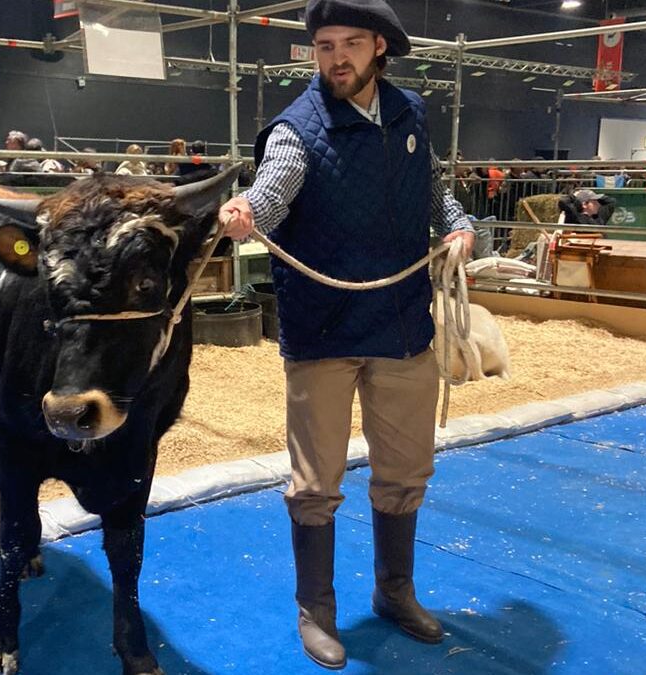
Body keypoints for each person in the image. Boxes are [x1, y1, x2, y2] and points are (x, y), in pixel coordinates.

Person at [218, 0, 474, 669]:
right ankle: (318, 610)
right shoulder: (296, 129)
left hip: (402, 327)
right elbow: (275, 187)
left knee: (404, 472)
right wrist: (251, 208)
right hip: (323, 332)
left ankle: (395, 591)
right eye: (324, 44)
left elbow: (433, 195)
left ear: (380, 47)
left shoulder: (411, 114)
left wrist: (458, 222)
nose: (336, 57)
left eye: (351, 43)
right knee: (314, 483)